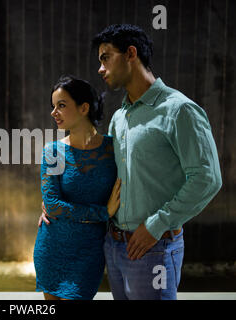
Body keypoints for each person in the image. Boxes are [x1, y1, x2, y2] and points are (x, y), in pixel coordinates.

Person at [41, 24, 222, 300]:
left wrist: (157, 224)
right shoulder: (119, 118)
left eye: (105, 57)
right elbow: (104, 177)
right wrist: (54, 204)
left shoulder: (179, 110)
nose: (100, 69)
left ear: (130, 54)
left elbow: (207, 178)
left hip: (153, 247)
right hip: (113, 247)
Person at [33, 75, 121, 300]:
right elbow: (52, 205)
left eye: (61, 105)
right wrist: (103, 212)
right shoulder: (52, 152)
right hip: (52, 247)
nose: (54, 113)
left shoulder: (114, 149)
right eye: (53, 106)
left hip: (89, 252)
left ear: (84, 107)